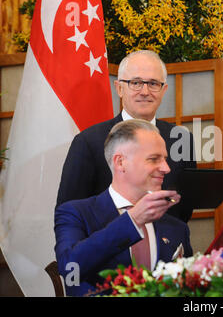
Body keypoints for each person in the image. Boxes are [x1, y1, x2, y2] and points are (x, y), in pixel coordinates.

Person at [54, 119, 193, 296]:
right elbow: (70, 268)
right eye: (153, 159)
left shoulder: (176, 227)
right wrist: (133, 220)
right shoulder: (76, 213)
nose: (166, 168)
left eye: (165, 159)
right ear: (120, 162)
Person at [57, 50, 196, 223]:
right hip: (109, 246)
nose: (145, 91)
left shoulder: (181, 139)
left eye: (153, 83)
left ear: (164, 90)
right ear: (119, 88)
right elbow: (69, 211)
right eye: (135, 83)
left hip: (167, 246)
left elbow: (185, 207)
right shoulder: (89, 141)